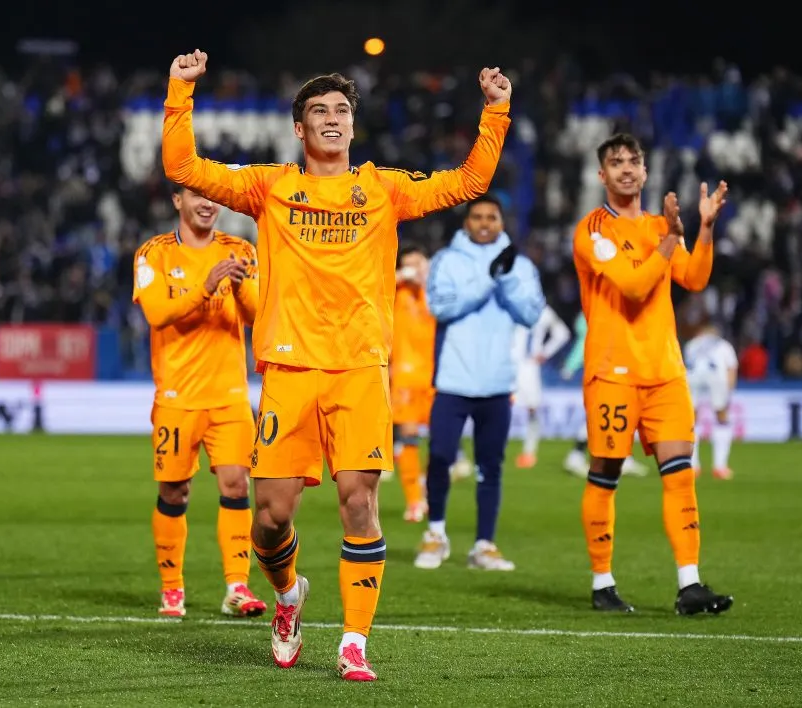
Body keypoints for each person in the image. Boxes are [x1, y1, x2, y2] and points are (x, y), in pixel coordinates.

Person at [163, 48, 512, 681]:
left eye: (342, 110)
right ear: (299, 129)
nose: (332, 118)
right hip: (290, 372)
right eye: (319, 110)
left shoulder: (384, 189)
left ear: (353, 126)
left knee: (359, 504)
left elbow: (467, 183)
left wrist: (496, 110)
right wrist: (180, 91)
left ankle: (354, 641)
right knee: (269, 520)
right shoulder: (270, 187)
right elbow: (181, 164)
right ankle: (289, 595)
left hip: (358, 369)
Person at [572, 132, 733, 616]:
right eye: (615, 162)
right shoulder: (592, 232)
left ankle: (690, 586)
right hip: (612, 372)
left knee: (680, 474)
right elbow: (637, 286)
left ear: (644, 171)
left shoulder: (661, 226)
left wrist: (702, 229)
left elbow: (696, 278)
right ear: (602, 175)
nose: (626, 168)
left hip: (664, 370)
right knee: (606, 472)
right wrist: (670, 237)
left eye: (633, 161)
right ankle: (603, 584)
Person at [131, 184, 267, 620]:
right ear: (177, 201)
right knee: (175, 490)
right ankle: (172, 588)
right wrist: (206, 287)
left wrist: (240, 286)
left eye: (213, 198)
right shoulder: (154, 254)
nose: (208, 204)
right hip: (177, 396)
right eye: (196, 196)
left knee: (236, 485)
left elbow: (257, 315)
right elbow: (156, 313)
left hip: (229, 395)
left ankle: (237, 587)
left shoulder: (241, 249)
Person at [414, 194, 545, 571]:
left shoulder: (518, 265)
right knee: (440, 457)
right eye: (478, 216)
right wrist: (488, 283)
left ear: (502, 222)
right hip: (453, 380)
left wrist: (504, 282)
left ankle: (483, 545)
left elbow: (532, 313)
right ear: (466, 222)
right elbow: (440, 307)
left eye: (492, 217)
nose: (485, 222)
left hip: (497, 383)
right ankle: (435, 533)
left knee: (492, 467)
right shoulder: (446, 261)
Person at [560, 312, 648, 478]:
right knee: (603, 416)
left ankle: (622, 458)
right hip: (604, 370)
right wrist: (571, 366)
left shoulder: (604, 312)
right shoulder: (595, 313)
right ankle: (576, 455)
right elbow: (584, 343)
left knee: (618, 415)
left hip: (614, 368)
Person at [390, 244, 436, 523]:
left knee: (440, 441)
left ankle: (429, 491)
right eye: (408, 264)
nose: (413, 269)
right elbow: (374, 284)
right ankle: (414, 501)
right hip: (406, 374)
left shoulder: (437, 292)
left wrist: (426, 279)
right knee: (409, 436)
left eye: (418, 263)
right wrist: (401, 275)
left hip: (436, 374)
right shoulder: (396, 291)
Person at [512, 303, 571, 468]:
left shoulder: (543, 311)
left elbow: (562, 334)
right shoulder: (509, 303)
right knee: (497, 407)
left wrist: (545, 352)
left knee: (532, 408)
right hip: (506, 364)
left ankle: (529, 452)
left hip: (528, 366)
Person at [684, 323, 739, 479]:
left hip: (692, 377)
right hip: (716, 376)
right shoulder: (724, 345)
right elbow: (731, 368)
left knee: (691, 421)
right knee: (722, 417)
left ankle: (693, 466)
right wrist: (728, 393)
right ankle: (720, 467)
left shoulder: (692, 344)